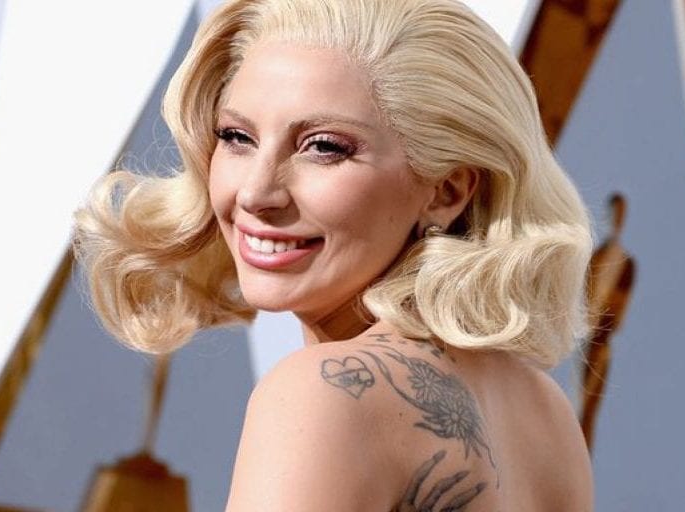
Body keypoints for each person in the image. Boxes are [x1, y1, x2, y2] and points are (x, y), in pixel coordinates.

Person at [72, 0, 595, 509]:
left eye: (324, 147)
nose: (255, 192)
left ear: (446, 191)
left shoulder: (327, 391)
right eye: (237, 137)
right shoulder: (545, 412)